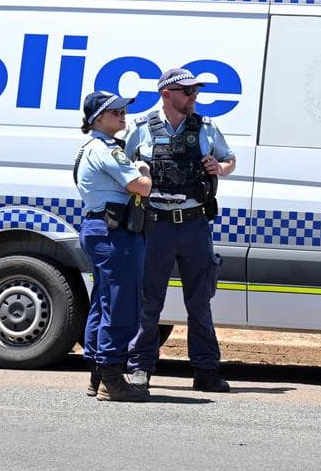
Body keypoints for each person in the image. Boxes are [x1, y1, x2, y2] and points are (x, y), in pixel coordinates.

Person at [125, 67, 236, 392]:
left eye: (195, 91)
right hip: (155, 225)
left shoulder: (206, 127)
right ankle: (140, 368)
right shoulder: (142, 127)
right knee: (149, 301)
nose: (194, 97)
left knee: (199, 302)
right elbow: (122, 162)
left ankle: (206, 371)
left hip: (194, 225)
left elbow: (230, 160)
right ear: (167, 94)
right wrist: (139, 169)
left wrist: (221, 168)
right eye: (187, 92)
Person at [74, 91, 153, 402]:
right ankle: (111, 377)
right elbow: (142, 187)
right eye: (115, 111)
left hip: (102, 228)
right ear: (97, 119)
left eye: (123, 110)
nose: (122, 115)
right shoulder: (107, 150)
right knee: (121, 304)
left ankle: (98, 373)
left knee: (104, 302)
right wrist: (144, 168)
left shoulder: (91, 147)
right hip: (115, 233)